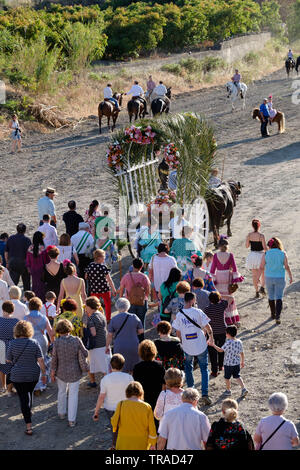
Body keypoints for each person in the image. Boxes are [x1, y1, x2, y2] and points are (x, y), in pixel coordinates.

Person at [6, 320, 47, 435]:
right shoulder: (34, 342)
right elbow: (41, 360)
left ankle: (29, 427)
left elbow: (8, 360)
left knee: (23, 398)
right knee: (29, 392)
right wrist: (44, 374)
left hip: (18, 375)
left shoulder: (12, 343)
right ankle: (28, 411)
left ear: (16, 331)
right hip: (33, 374)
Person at [172, 292, 213, 405]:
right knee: (204, 368)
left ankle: (191, 392)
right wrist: (211, 337)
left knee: (188, 368)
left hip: (187, 346)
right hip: (200, 344)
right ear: (191, 301)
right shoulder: (198, 312)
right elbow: (208, 326)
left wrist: (182, 341)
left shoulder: (180, 314)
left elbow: (177, 331)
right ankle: (205, 394)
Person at [51, 318, 88, 428]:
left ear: (58, 330)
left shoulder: (56, 342)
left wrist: (52, 373)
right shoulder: (76, 340)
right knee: (73, 395)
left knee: (61, 392)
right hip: (75, 371)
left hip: (60, 371)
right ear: (69, 328)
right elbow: (85, 353)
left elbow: (54, 359)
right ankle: (71, 420)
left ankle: (61, 413)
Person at [93, 354, 133, 446]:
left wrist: (96, 412)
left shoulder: (105, 379)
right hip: (125, 407)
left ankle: (115, 445)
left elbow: (101, 397)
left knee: (114, 428)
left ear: (111, 365)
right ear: (123, 365)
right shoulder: (129, 378)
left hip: (110, 409)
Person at [111, 381, 157, 450]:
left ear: (127, 392)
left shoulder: (121, 404)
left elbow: (114, 422)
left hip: (124, 441)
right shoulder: (147, 406)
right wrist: (153, 443)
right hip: (141, 442)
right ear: (141, 392)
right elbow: (152, 427)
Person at [259, 237, 292, 325]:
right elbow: (286, 266)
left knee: (271, 296)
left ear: (269, 245)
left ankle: (272, 314)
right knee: (279, 297)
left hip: (269, 278)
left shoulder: (266, 254)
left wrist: (259, 277)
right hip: (280, 278)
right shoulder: (283, 253)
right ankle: (278, 316)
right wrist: (290, 276)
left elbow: (261, 267)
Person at [209, 325, 248, 398]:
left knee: (227, 378)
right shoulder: (239, 342)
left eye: (226, 333)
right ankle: (243, 388)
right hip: (236, 363)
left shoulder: (228, 342)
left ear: (228, 334)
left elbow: (220, 350)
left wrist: (213, 345)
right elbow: (242, 353)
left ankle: (228, 390)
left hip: (228, 364)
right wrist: (242, 361)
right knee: (237, 376)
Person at [210, 237, 242, 326]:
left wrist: (212, 279)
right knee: (229, 296)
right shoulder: (230, 255)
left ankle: (221, 316)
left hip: (219, 276)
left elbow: (212, 269)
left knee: (220, 296)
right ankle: (232, 318)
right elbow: (235, 268)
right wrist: (235, 278)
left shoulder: (216, 255)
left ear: (219, 246)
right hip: (228, 276)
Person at [106, 297, 143, 373]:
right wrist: (133, 332)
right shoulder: (134, 317)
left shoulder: (114, 319)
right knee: (134, 366)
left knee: (120, 366)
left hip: (119, 346)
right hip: (133, 344)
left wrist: (107, 346)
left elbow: (110, 335)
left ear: (117, 306)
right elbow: (141, 331)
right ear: (128, 306)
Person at [26, 297, 54, 394]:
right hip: (42, 341)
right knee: (42, 361)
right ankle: (43, 383)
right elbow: (50, 332)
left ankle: (34, 384)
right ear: (39, 306)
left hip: (30, 341)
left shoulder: (25, 317)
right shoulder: (43, 317)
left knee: (32, 362)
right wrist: (53, 342)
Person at [119, 258, 150, 340]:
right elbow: (148, 290)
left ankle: (132, 340)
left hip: (129, 302)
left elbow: (121, 289)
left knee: (130, 322)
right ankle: (141, 341)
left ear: (132, 266)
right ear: (142, 266)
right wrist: (144, 298)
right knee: (141, 321)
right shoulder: (144, 277)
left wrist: (121, 299)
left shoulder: (126, 276)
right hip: (142, 302)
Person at [133, 340, 165, 412]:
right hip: (157, 400)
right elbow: (164, 385)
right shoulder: (160, 366)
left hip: (143, 400)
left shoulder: (137, 367)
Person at [85, 249, 117, 323]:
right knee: (107, 304)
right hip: (104, 289)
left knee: (94, 304)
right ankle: (108, 318)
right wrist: (113, 289)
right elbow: (109, 279)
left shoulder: (90, 265)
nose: (104, 258)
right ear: (99, 257)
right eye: (104, 257)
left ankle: (95, 317)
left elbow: (86, 276)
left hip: (94, 289)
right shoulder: (103, 267)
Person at [85, 296, 108, 388]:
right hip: (104, 342)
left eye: (86, 306)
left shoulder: (91, 318)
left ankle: (93, 381)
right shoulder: (101, 314)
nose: (85, 308)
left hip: (96, 345)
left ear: (90, 306)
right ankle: (106, 383)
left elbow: (93, 333)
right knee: (105, 367)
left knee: (90, 365)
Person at [204, 291, 228, 378]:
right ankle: (221, 365)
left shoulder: (207, 309)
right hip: (222, 330)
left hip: (211, 333)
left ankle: (214, 371)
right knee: (221, 348)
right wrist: (221, 296)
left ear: (209, 300)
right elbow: (229, 299)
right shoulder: (222, 305)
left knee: (212, 352)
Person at [5, 223, 31, 290]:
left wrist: (7, 262)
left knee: (13, 284)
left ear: (17, 230)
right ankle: (26, 298)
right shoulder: (27, 240)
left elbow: (6, 252)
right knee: (26, 283)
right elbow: (29, 253)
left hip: (13, 261)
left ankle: (11, 298)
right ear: (25, 230)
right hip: (23, 262)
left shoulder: (10, 238)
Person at [0, 301, 19, 395]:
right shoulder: (16, 321)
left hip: (1, 344)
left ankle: (2, 386)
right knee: (11, 367)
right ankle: (9, 389)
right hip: (12, 345)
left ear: (3, 309)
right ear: (12, 310)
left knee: (1, 367)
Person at [245, 218, 267, 298]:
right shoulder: (261, 236)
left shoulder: (249, 235)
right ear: (259, 226)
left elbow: (247, 246)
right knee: (263, 274)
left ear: (252, 226)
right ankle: (262, 287)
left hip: (252, 255)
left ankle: (256, 291)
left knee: (254, 275)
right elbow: (265, 248)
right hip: (261, 256)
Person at [26, 231, 50, 301]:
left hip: (33, 270)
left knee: (35, 286)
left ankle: (35, 300)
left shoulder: (30, 248)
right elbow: (47, 261)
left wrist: (29, 268)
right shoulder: (43, 249)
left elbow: (28, 261)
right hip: (41, 270)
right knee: (42, 287)